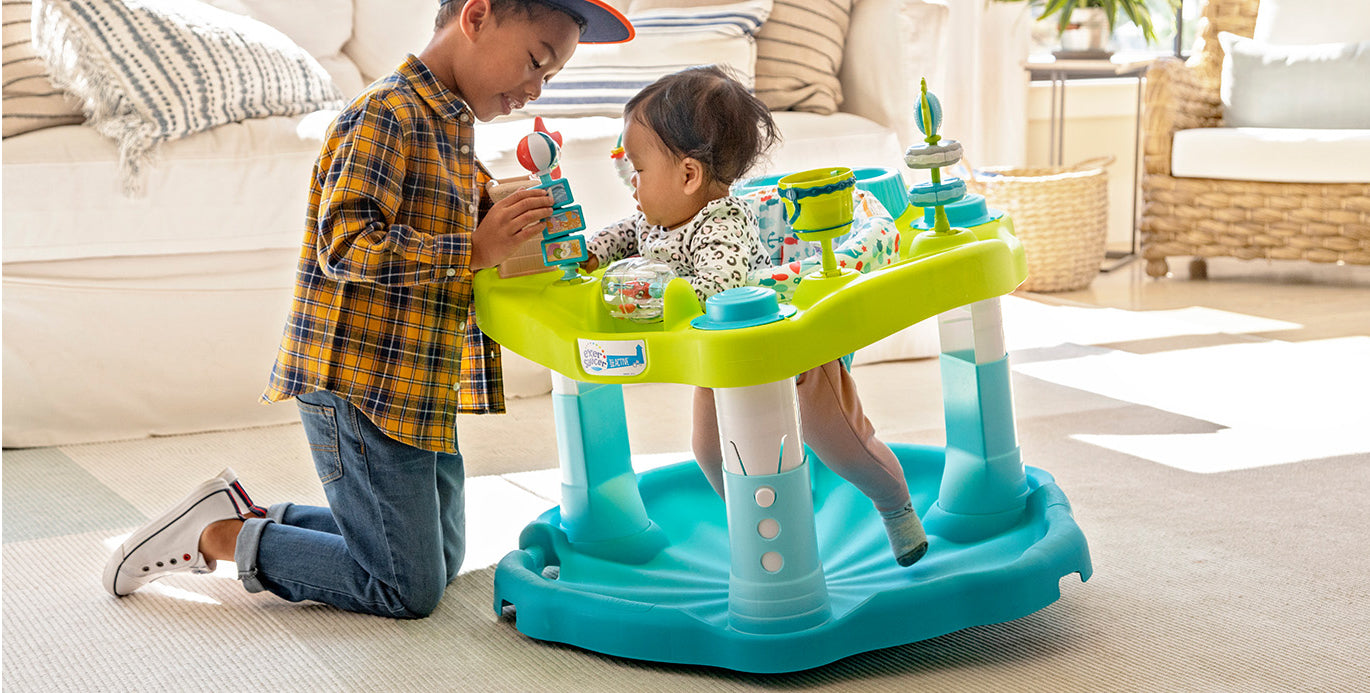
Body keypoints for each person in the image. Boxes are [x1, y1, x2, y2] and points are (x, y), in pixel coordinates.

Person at [102, 0, 634, 618]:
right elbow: (347, 245)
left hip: (415, 382)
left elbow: (467, 237)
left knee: (441, 556)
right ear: (478, 16)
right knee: (406, 588)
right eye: (535, 62)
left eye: (551, 77)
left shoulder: (452, 126)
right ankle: (215, 536)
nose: (535, 89)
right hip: (359, 383)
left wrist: (529, 235)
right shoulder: (386, 115)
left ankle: (247, 514)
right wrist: (473, 247)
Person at [583, 66, 929, 567]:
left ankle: (896, 508)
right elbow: (623, 235)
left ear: (687, 176)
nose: (632, 186)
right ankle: (764, 528)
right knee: (711, 453)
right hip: (723, 364)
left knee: (849, 447)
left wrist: (652, 293)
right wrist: (589, 255)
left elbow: (716, 291)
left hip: (793, 350)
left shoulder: (720, 224)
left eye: (637, 170)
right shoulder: (657, 219)